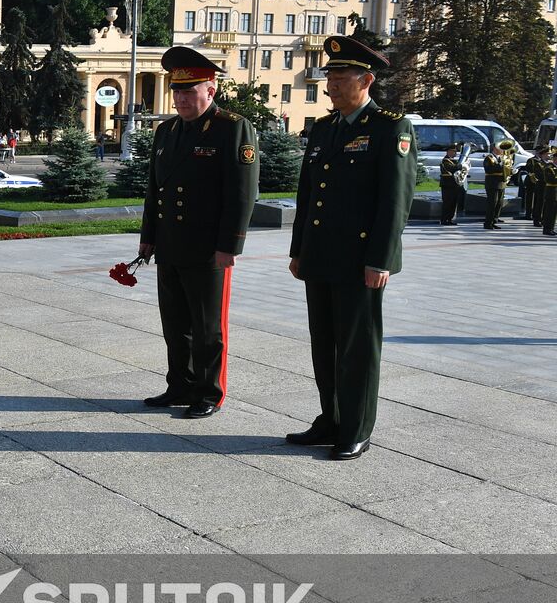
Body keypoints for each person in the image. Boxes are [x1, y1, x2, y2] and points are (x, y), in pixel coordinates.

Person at [286, 35, 417, 461]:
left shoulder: (390, 128)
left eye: (341, 77)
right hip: (321, 255)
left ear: (366, 81)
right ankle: (332, 418)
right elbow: (309, 195)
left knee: (357, 348)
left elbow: (394, 201)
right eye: (331, 76)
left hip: (361, 260)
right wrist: (298, 249)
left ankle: (356, 427)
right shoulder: (324, 129)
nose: (332, 84)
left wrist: (381, 258)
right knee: (324, 344)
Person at [139, 46, 259, 419]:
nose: (181, 99)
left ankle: (209, 392)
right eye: (177, 91)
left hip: (209, 250)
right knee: (175, 324)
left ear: (211, 91)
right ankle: (180, 385)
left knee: (208, 328)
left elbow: (242, 193)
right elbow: (154, 188)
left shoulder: (231, 128)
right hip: (171, 246)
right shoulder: (167, 130)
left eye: (190, 92)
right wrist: (148, 238)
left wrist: (230, 246)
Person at [481, 144, 506, 230]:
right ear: (495, 148)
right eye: (500, 148)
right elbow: (488, 169)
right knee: (492, 203)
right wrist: (502, 166)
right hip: (492, 183)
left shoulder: (501, 158)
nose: (502, 150)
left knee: (499, 203)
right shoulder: (489, 158)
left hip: (501, 183)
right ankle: (488, 223)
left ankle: (494, 221)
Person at [438, 144, 464, 225]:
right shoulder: (445, 160)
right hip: (447, 184)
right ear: (449, 151)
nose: (455, 153)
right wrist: (459, 166)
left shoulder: (454, 161)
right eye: (453, 151)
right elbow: (451, 168)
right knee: (447, 203)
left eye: (455, 152)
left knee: (453, 203)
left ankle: (450, 219)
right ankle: (444, 219)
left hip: (454, 184)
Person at [529, 146, 549, 228]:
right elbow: (540, 175)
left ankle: (544, 219)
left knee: (546, 204)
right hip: (541, 185)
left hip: (548, 187)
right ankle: (537, 220)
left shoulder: (549, 164)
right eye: (547, 154)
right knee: (539, 203)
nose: (549, 156)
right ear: (543, 155)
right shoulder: (539, 164)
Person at [541, 149, 557, 237]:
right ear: (555, 159)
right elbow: (549, 179)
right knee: (549, 212)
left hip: (555, 193)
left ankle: (551, 228)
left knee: (554, 213)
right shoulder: (549, 167)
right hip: (551, 192)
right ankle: (546, 229)